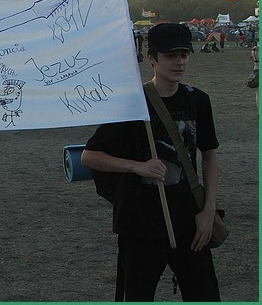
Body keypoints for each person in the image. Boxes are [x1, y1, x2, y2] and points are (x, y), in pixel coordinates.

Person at [81, 23, 220, 301]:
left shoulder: (198, 101)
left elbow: (209, 154)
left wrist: (208, 211)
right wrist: (137, 166)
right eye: (170, 55)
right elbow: (90, 156)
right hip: (140, 225)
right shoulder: (132, 104)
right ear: (151, 59)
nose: (179, 62)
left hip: (189, 221)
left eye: (184, 54)